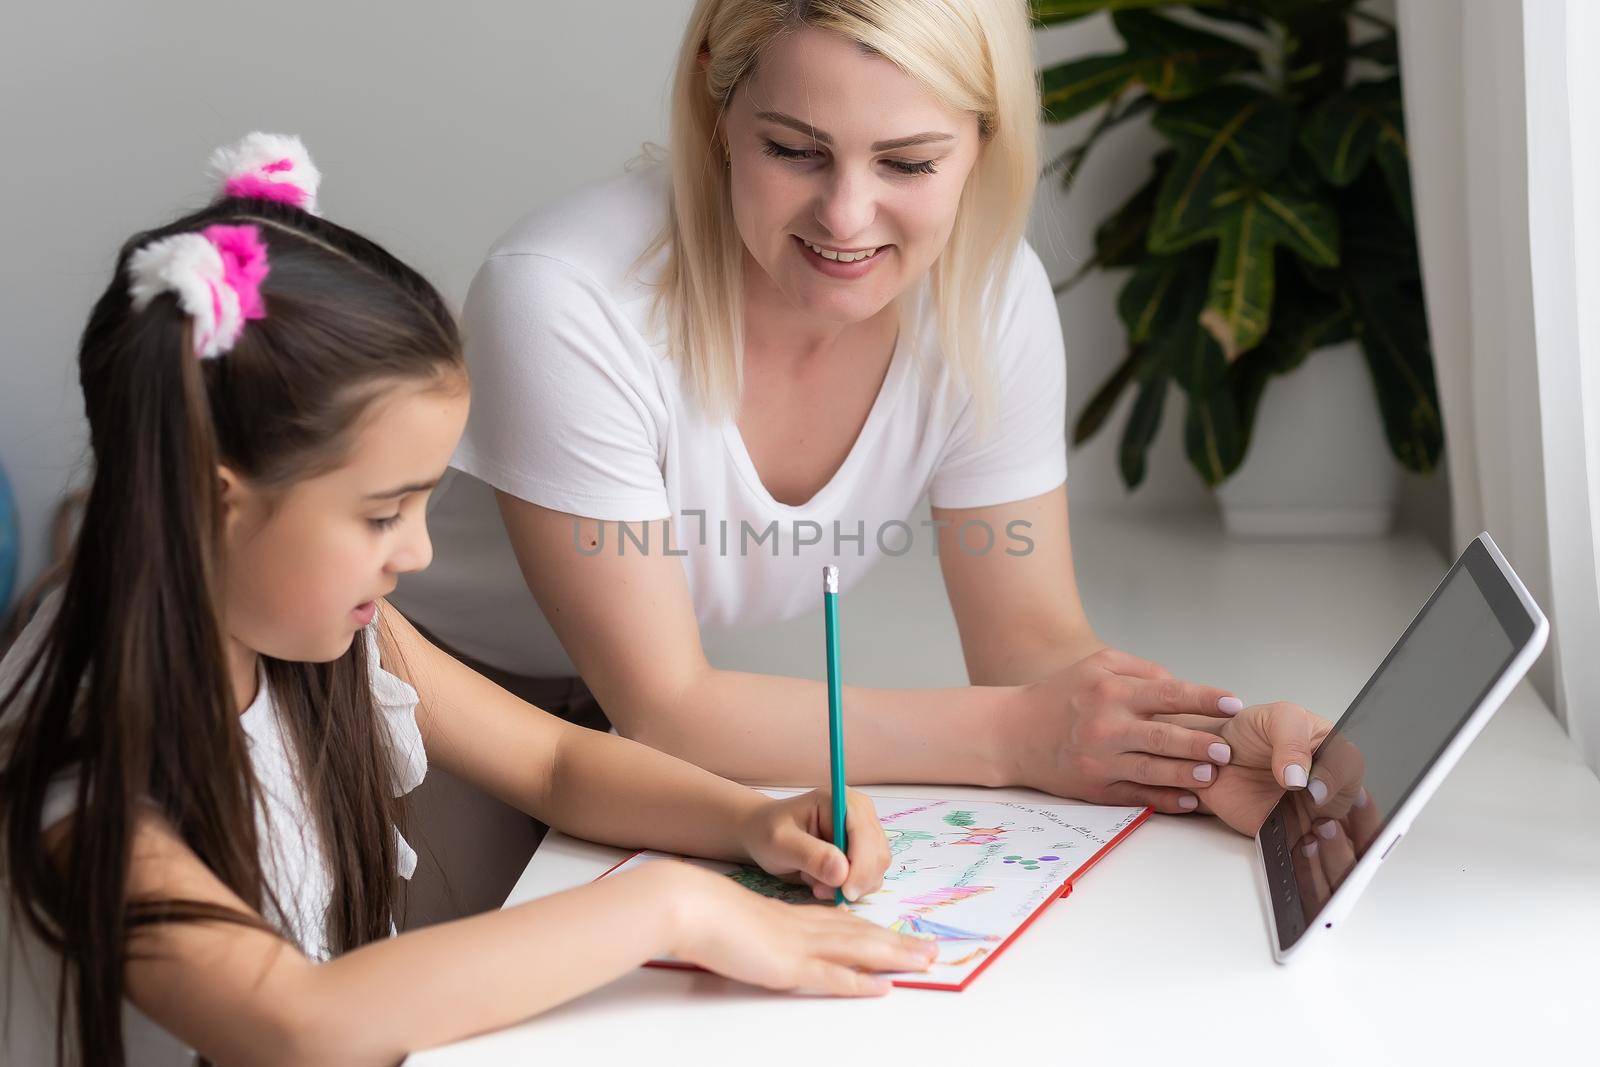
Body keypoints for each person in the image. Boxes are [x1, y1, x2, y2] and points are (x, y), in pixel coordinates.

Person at [0, 134, 930, 1067]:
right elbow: (297, 1020)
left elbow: (555, 763)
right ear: (216, 500)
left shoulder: (304, 630)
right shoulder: (84, 765)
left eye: (423, 502)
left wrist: (748, 819)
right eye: (380, 515)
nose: (419, 550)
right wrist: (670, 907)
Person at [393, 0, 1332, 891]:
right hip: (423, 684)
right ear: (716, 100)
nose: (845, 217)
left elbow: (1032, 646)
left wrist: (1207, 753)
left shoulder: (990, 297)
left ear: (985, 137)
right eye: (794, 150)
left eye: (910, 163)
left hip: (650, 717)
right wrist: (1012, 737)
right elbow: (668, 708)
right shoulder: (565, 296)